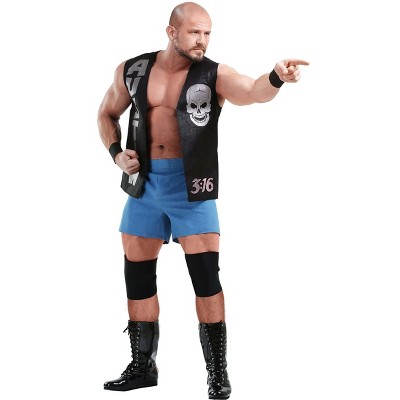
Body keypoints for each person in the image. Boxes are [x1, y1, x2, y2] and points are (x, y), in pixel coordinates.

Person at [97, 2, 308, 399]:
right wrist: (115, 154)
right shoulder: (133, 70)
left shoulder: (214, 74)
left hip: (192, 187)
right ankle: (142, 366)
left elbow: (252, 92)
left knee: (206, 279)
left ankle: (217, 372)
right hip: (144, 186)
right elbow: (106, 114)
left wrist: (276, 77)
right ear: (171, 32)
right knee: (137, 277)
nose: (202, 40)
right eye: (194, 32)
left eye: (207, 33)